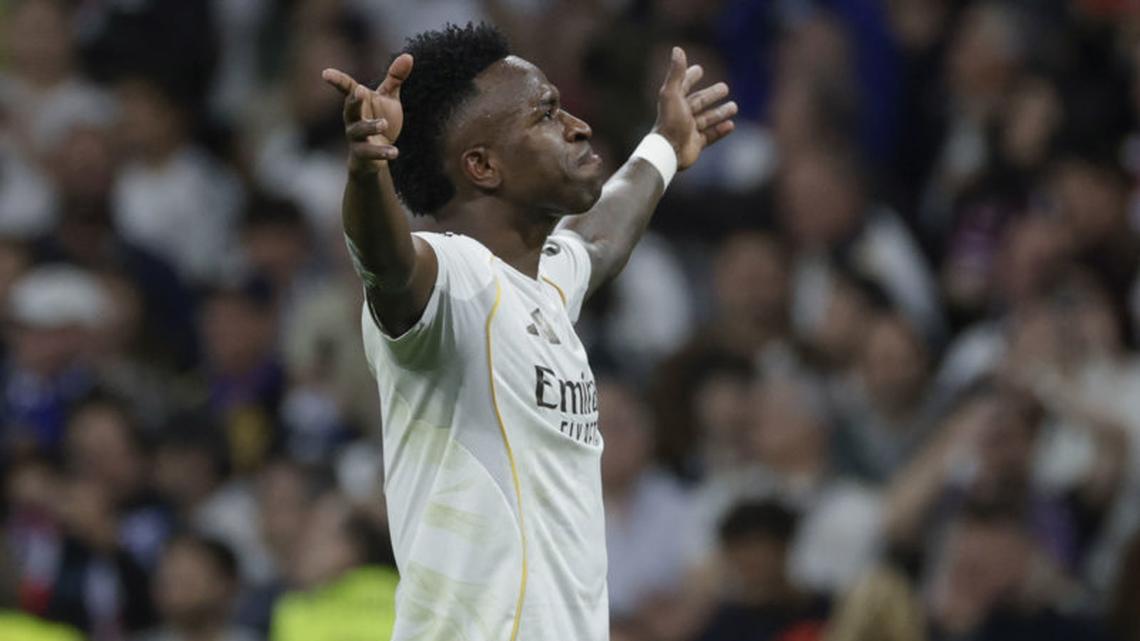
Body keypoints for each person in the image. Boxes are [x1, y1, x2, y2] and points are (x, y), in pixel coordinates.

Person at [320, 21, 736, 641]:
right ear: (483, 165)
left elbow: (599, 238)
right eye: (546, 115)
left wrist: (665, 146)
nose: (578, 125)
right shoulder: (454, 281)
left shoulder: (543, 286)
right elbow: (384, 264)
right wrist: (367, 170)